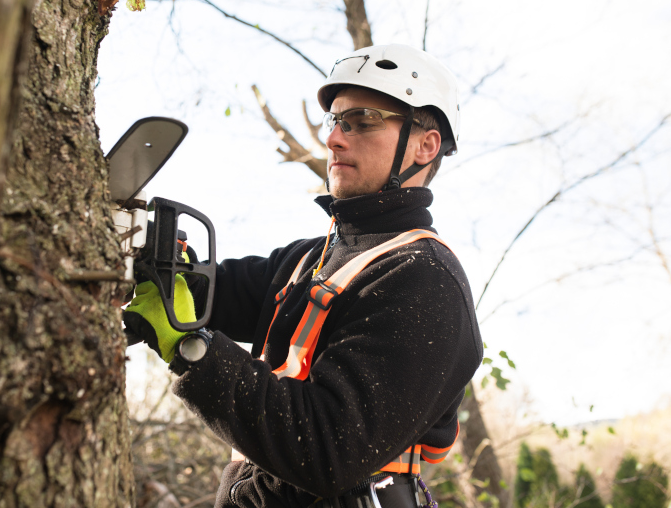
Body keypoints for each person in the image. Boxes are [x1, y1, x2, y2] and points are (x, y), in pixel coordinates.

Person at [124, 44, 483, 508]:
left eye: (363, 121)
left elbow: (327, 450)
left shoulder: (422, 280)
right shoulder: (309, 259)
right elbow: (210, 290)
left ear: (425, 145)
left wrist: (192, 351)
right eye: (335, 121)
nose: (334, 138)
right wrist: (149, 251)